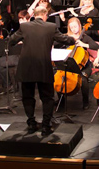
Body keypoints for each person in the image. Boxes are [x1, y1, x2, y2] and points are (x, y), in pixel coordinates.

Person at [6, 7, 77, 135]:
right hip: (43, 67)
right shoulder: (51, 27)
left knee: (28, 97)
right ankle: (45, 126)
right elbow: (65, 39)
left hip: (26, 67)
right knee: (47, 97)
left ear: (34, 15)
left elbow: (11, 41)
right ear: (44, 15)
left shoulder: (25, 26)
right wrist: (73, 39)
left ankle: (31, 123)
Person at [57, 17, 99, 110]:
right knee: (58, 77)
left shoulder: (85, 37)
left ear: (80, 26)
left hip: (84, 65)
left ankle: (85, 101)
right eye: (71, 27)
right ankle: (61, 100)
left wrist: (83, 44)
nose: (73, 29)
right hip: (69, 64)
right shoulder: (66, 37)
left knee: (83, 79)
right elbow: (56, 43)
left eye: (75, 27)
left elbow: (96, 46)